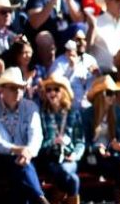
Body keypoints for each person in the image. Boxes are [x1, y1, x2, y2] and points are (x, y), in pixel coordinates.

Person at [0, 67, 46, 203]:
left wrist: (28, 152)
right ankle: (41, 199)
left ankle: (40, 199)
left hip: (26, 157)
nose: (18, 92)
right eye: (13, 88)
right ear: (2, 90)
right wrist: (16, 150)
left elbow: (36, 135)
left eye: (20, 88)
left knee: (22, 167)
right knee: (22, 168)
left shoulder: (30, 107)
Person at [36, 74, 85, 204]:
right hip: (50, 158)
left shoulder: (73, 113)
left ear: (63, 92)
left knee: (67, 174)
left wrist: (75, 154)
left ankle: (55, 199)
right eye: (48, 90)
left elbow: (80, 141)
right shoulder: (41, 113)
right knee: (72, 180)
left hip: (69, 158)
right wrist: (53, 142)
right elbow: (37, 143)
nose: (52, 93)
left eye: (56, 89)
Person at [82, 75, 120, 204]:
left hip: (110, 155)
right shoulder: (87, 115)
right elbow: (82, 143)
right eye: (109, 93)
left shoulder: (118, 113)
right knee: (119, 167)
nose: (113, 97)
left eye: (115, 93)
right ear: (100, 95)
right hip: (92, 158)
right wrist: (97, 149)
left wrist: (113, 146)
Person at [52, 31, 98, 109]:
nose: (82, 43)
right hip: (69, 108)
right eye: (78, 40)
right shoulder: (60, 62)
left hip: (89, 108)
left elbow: (100, 83)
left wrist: (96, 74)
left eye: (84, 39)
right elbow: (54, 84)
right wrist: (70, 68)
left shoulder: (90, 60)